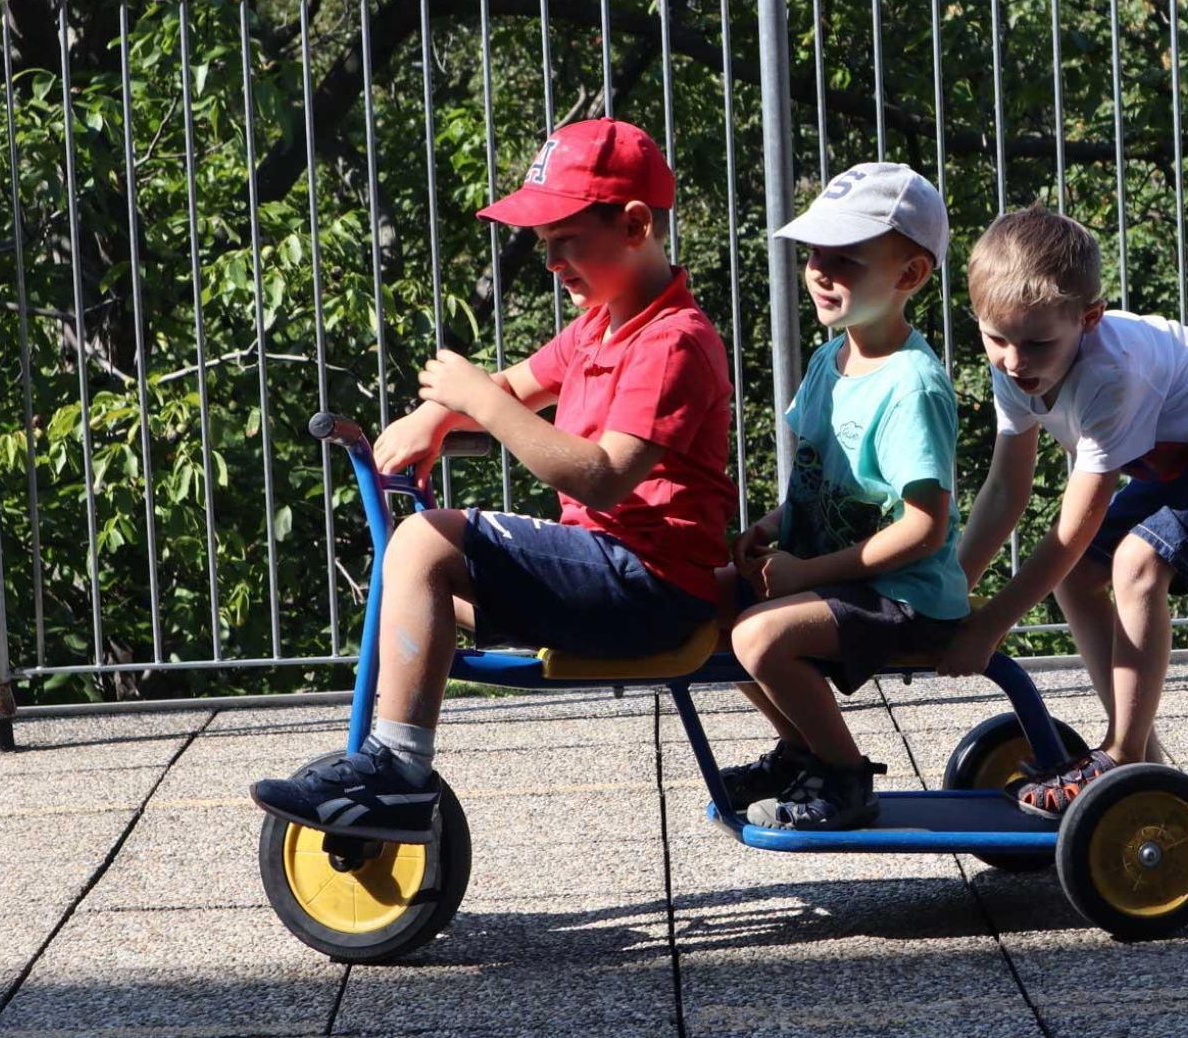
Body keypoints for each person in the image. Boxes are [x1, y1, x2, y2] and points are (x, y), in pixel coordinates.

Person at [252, 118, 734, 844]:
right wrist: (436, 418)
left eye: (567, 240)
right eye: (544, 246)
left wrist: (476, 400)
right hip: (615, 575)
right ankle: (389, 759)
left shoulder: (672, 342)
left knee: (422, 542)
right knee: (414, 583)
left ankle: (399, 773)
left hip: (645, 586)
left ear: (634, 224)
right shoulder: (601, 326)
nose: (552, 263)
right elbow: (518, 383)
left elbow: (600, 477)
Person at [941, 205, 1188, 818]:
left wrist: (990, 625)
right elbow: (1006, 492)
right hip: (1184, 451)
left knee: (1136, 564)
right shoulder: (1017, 363)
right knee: (1081, 578)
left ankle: (1122, 754)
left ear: (1089, 319)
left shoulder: (1112, 373)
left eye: (1037, 343)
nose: (1014, 361)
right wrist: (946, 600)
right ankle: (1145, 766)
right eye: (996, 338)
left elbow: (1074, 525)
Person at [721, 163, 969, 830]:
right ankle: (801, 750)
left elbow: (922, 529)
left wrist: (806, 573)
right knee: (711, 601)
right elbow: (819, 479)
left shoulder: (911, 386)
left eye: (847, 259)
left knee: (760, 634)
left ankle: (843, 775)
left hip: (907, 593)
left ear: (911, 276)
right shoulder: (831, 360)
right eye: (815, 255)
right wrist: (773, 527)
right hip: (838, 578)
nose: (822, 270)